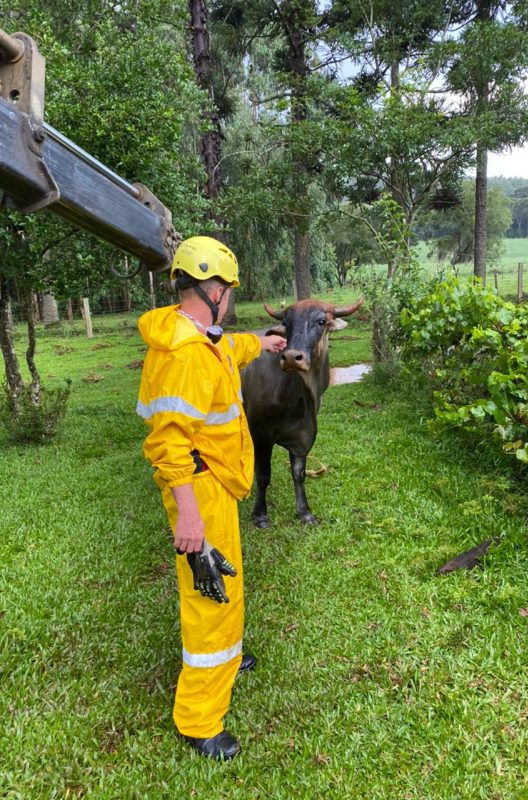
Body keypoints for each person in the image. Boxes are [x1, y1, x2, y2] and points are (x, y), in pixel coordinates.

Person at [136, 236, 286, 760]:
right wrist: (190, 519)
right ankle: (198, 720)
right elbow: (168, 443)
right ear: (214, 287)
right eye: (229, 289)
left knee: (227, 580)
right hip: (197, 488)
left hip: (215, 483)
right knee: (209, 598)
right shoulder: (185, 356)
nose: (231, 297)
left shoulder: (202, 337)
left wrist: (261, 342)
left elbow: (229, 348)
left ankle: (229, 657)